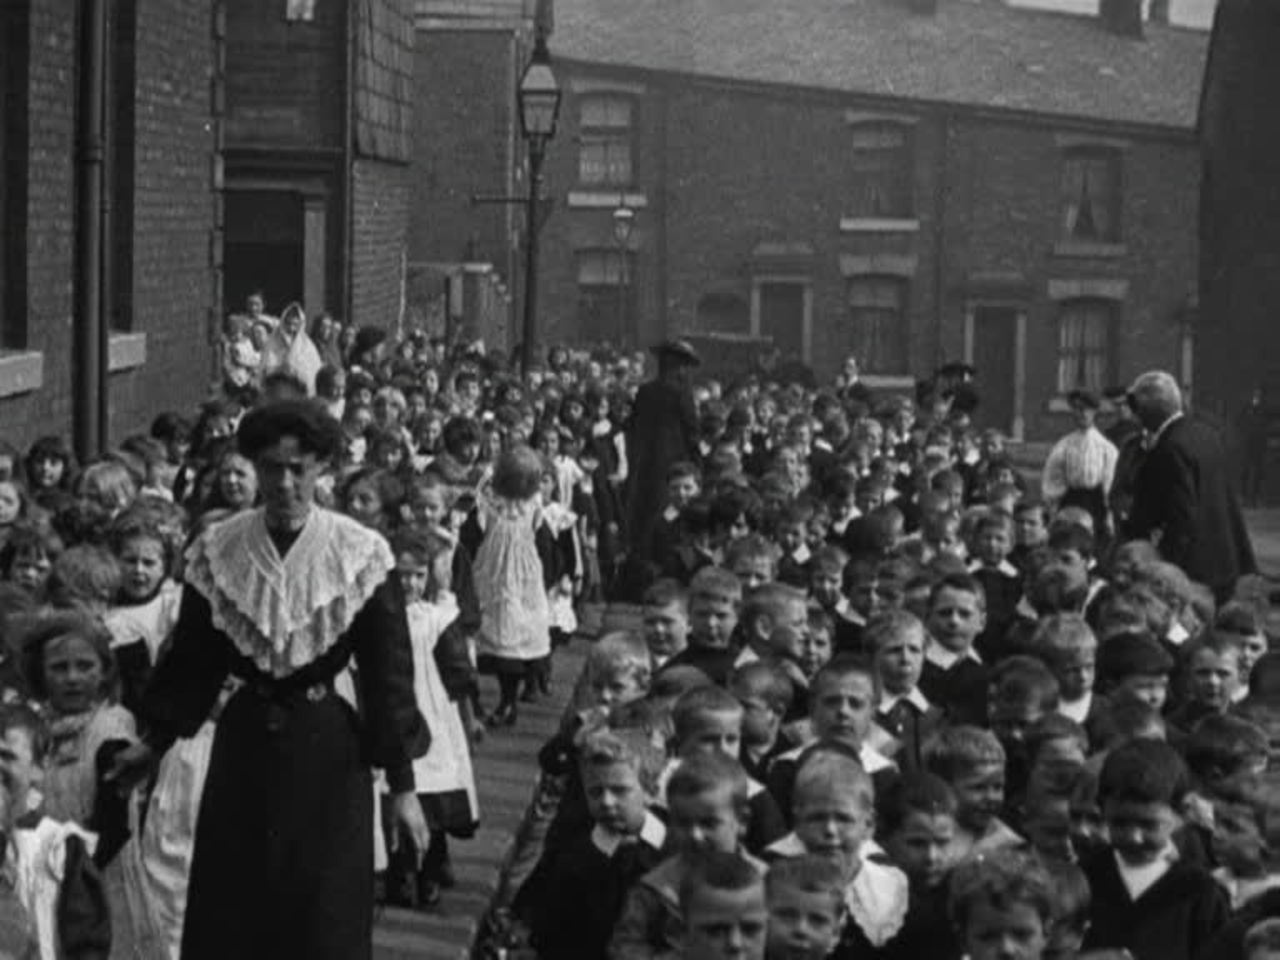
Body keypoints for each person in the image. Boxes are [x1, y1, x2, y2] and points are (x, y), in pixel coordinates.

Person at [105, 398, 430, 960]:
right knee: (236, 911)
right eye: (271, 467)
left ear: (322, 467)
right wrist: (153, 744)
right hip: (245, 746)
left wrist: (403, 789)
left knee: (320, 915)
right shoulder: (219, 548)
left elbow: (388, 676)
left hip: (327, 753)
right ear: (253, 467)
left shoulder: (360, 553)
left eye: (298, 468)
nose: (285, 483)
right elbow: (193, 662)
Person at [1124, 370, 1256, 604]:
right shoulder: (1206, 434)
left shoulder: (1168, 448)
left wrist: (1167, 568)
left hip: (1194, 571)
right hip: (1226, 560)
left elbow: (1181, 517)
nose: (1135, 416)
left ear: (1151, 408)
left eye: (1137, 407)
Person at [625, 340, 702, 598]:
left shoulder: (646, 392)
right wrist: (697, 465)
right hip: (674, 466)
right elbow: (692, 433)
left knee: (651, 515)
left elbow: (633, 429)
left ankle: (644, 568)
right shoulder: (682, 394)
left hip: (646, 467)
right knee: (672, 511)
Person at [1042, 390, 1118, 545]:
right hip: (1072, 499)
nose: (1080, 413)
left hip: (1096, 503)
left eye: (1085, 409)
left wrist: (1109, 514)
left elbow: (1110, 482)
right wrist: (1055, 507)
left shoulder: (1106, 448)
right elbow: (1053, 478)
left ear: (1094, 412)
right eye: (1076, 409)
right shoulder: (1064, 446)